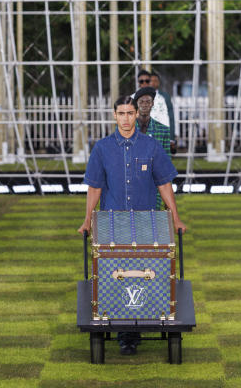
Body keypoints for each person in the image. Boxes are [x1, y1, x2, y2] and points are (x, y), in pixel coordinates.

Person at [77, 94, 187, 355]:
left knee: (145, 271)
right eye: (121, 113)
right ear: (114, 115)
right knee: (116, 273)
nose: (126, 119)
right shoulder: (102, 148)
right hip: (112, 223)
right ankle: (125, 332)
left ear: (137, 114)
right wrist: (87, 220)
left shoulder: (151, 146)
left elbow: (164, 183)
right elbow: (94, 187)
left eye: (130, 113)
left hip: (148, 222)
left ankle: (140, 322)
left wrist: (175, 216)